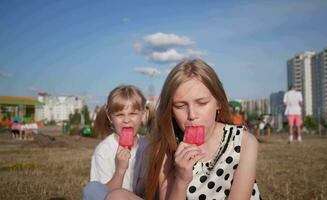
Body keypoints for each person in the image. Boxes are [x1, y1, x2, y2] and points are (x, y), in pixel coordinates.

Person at [107, 59, 261, 200]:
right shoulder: (168, 146)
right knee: (117, 196)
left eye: (201, 103)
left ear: (218, 102)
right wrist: (181, 180)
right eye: (180, 106)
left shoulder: (244, 141)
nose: (192, 115)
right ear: (171, 111)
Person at [83, 85, 151, 200]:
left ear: (142, 115)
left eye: (133, 114)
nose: (126, 120)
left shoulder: (147, 147)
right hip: (113, 196)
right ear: (110, 118)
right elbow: (105, 195)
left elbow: (144, 191)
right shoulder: (104, 150)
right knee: (90, 189)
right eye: (120, 115)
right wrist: (120, 169)